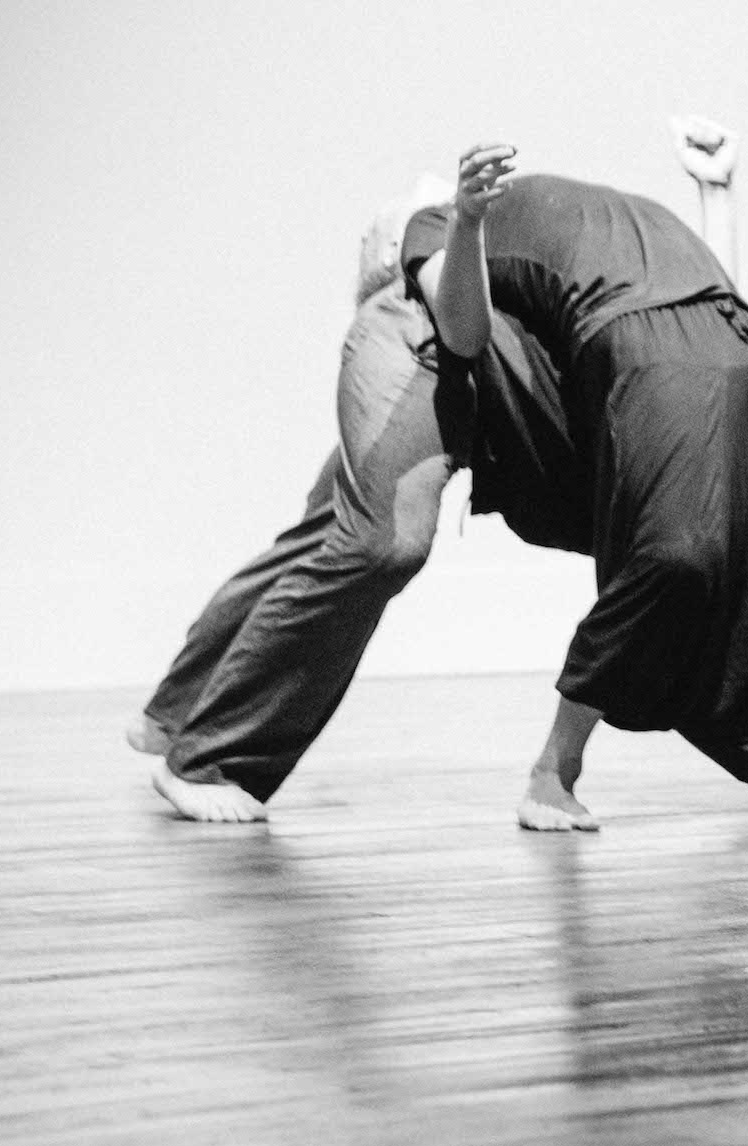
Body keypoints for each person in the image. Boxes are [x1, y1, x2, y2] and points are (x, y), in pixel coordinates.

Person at [408, 142, 748, 831]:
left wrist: (718, 193)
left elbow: (710, 279)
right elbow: (464, 332)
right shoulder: (430, 225)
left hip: (740, 326)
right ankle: (553, 772)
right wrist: (464, 218)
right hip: (635, 337)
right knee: (678, 555)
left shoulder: (599, 203)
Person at [129, 176, 583, 823]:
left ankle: (174, 714)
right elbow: (426, 271)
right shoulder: (458, 215)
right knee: (380, 544)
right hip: (418, 338)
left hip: (444, 354)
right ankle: (210, 758)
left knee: (322, 537)